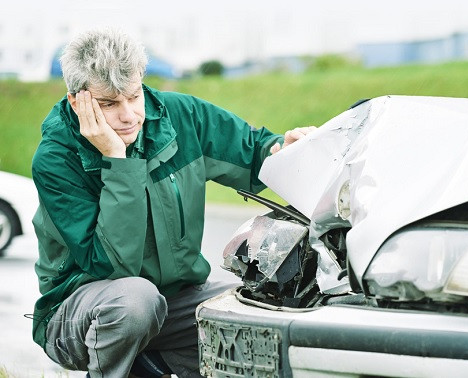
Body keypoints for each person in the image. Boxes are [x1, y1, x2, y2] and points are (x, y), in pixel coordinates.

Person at [29, 28, 315, 378]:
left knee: (258, 306)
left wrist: (283, 149)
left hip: (173, 304)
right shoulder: (56, 159)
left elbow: (255, 153)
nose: (129, 115)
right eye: (109, 104)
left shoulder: (182, 117)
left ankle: (153, 365)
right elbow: (112, 266)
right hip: (79, 315)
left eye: (134, 97)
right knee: (137, 301)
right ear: (78, 102)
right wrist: (118, 161)